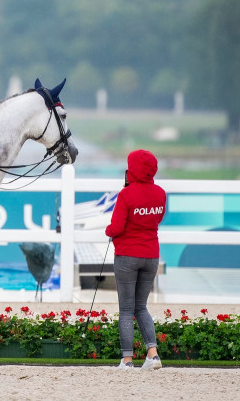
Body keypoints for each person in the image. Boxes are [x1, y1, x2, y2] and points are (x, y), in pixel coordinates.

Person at [105, 148, 167, 370]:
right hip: (151, 255)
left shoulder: (126, 195)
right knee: (142, 307)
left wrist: (108, 231)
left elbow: (117, 226)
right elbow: (157, 218)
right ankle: (152, 355)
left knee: (126, 310)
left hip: (127, 257)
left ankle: (127, 360)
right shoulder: (160, 193)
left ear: (133, 170)